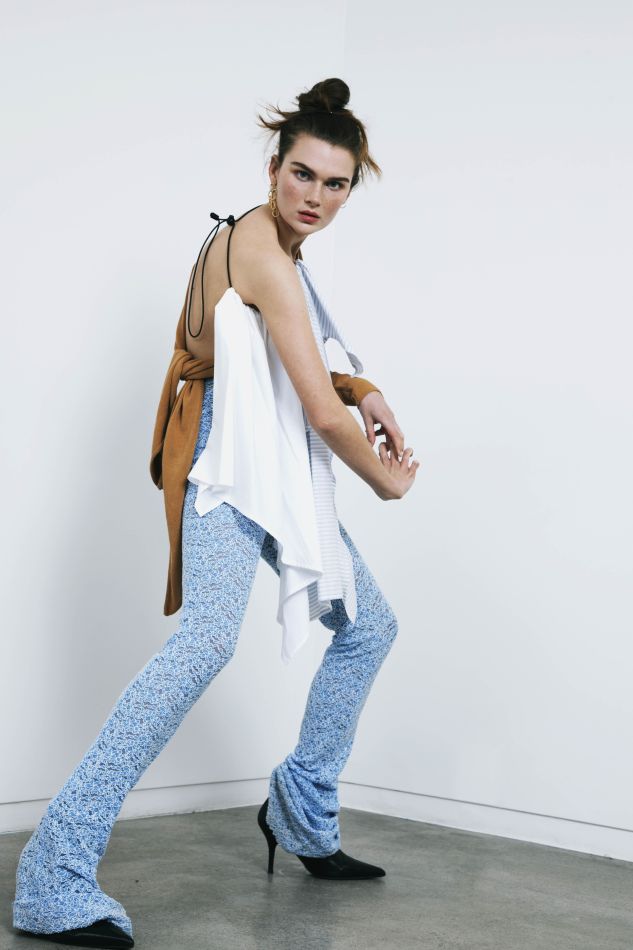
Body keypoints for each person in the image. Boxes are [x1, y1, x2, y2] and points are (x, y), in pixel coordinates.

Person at [12, 77, 420, 949]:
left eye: (335, 184)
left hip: (260, 447)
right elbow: (316, 411)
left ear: (351, 189)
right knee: (205, 642)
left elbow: (293, 360)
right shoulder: (263, 252)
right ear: (273, 167)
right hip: (227, 457)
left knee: (368, 626)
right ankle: (52, 872)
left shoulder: (271, 241)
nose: (315, 197)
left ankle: (300, 808)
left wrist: (367, 388)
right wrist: (385, 483)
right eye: (302, 175)